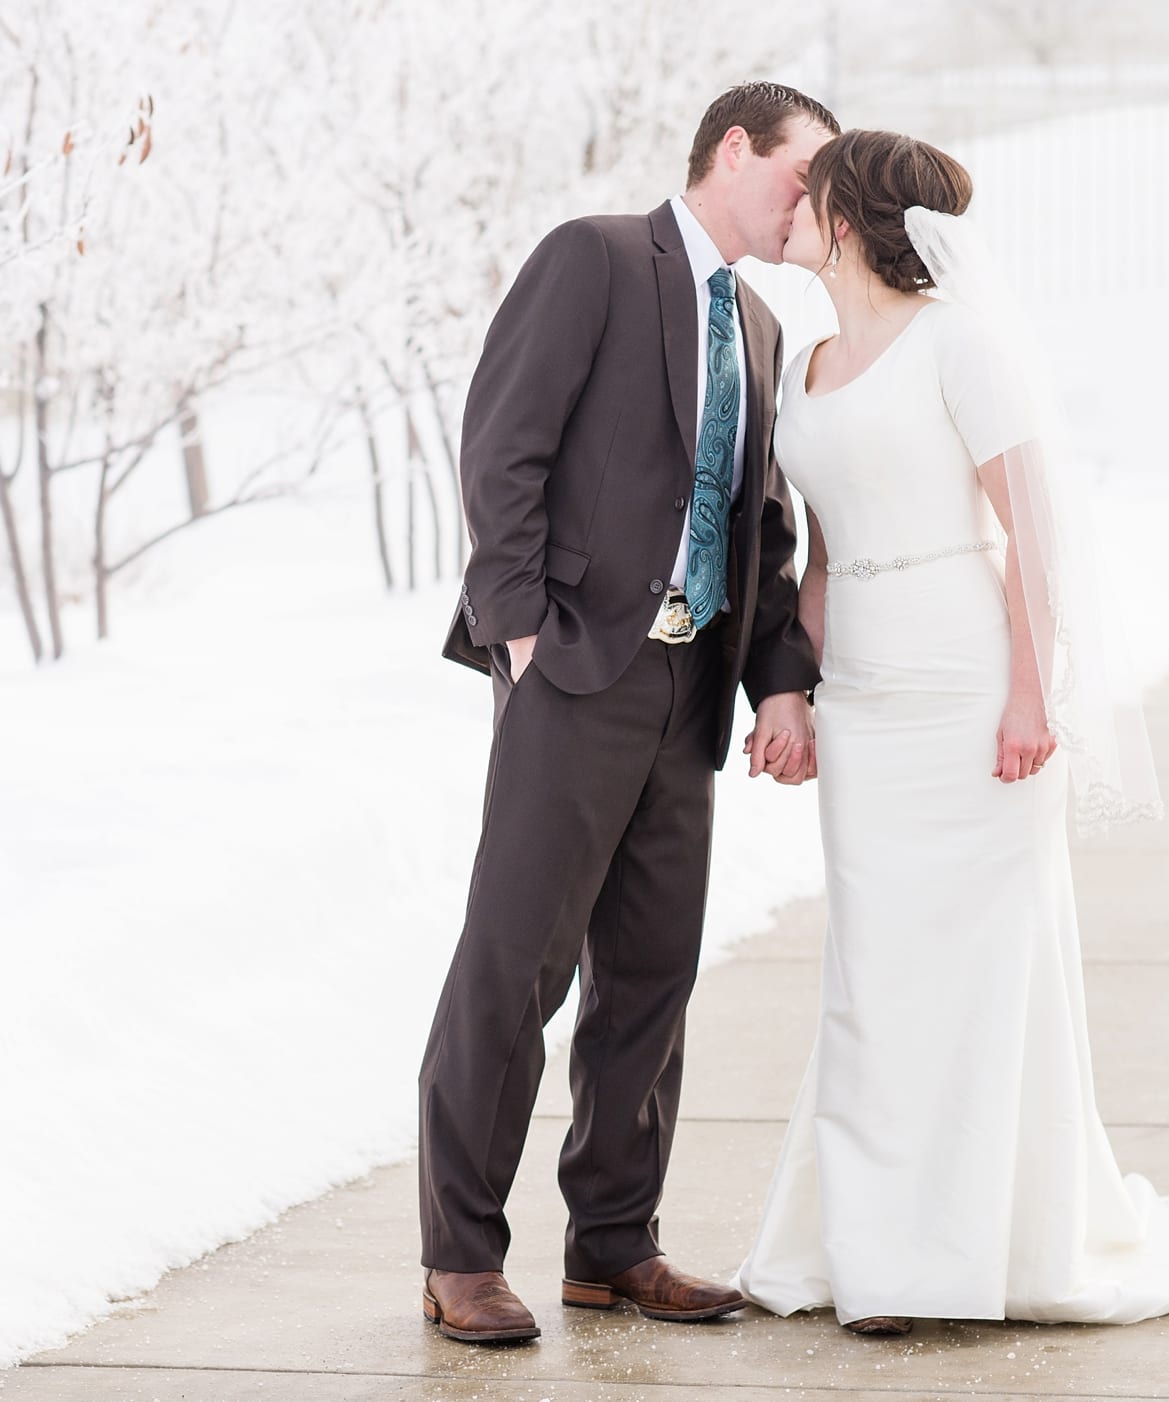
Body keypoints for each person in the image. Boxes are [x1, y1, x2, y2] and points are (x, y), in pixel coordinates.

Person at [731, 128, 1169, 1335]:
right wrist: (792, 688)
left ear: (850, 217)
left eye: (812, 192)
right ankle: (877, 1250)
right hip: (862, 698)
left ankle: (985, 1242)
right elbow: (819, 553)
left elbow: (1036, 534)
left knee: (984, 971)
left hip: (964, 687)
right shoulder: (803, 365)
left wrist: (1031, 693)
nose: (791, 205)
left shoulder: (963, 344)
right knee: (873, 978)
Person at [417, 81, 838, 1345]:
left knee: (648, 984)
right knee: (516, 966)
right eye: (800, 176)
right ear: (733, 148)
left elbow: (763, 524)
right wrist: (524, 636)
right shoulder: (596, 256)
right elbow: (503, 449)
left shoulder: (759, 325)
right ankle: (459, 1257)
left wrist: (778, 676)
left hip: (687, 692)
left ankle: (614, 1246)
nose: (809, 206)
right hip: (574, 676)